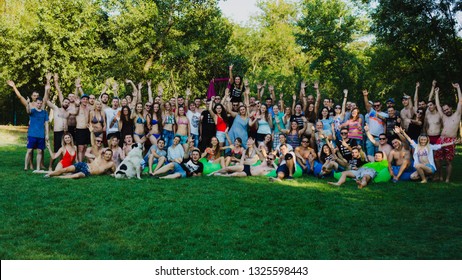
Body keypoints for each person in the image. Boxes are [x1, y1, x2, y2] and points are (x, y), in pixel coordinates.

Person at [434, 84, 462, 182]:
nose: (446, 111)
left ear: (450, 108)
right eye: (444, 110)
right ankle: (441, 176)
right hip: (441, 139)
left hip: (451, 140)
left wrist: (458, 88)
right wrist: (436, 93)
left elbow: (460, 102)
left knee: (448, 161)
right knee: (437, 159)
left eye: (447, 109)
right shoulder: (444, 117)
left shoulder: (457, 115)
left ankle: (447, 179)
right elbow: (437, 105)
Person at [211, 138, 276, 177]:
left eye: (270, 159)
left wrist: (273, 163)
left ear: (273, 160)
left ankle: (221, 175)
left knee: (234, 175)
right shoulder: (264, 161)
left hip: (249, 173)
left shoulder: (270, 168)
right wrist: (254, 145)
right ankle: (213, 172)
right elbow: (259, 153)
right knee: (228, 168)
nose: (268, 159)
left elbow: (277, 169)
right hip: (247, 167)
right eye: (268, 157)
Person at [45, 148, 116, 179]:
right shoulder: (99, 156)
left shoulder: (111, 164)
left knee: (76, 176)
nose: (108, 155)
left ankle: (57, 177)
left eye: (110, 154)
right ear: (104, 154)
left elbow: (115, 172)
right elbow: (94, 144)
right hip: (84, 165)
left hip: (87, 172)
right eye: (106, 154)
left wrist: (112, 174)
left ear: (111, 155)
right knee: (65, 169)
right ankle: (49, 174)